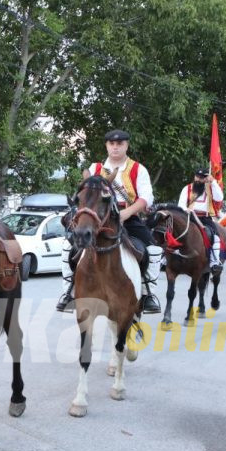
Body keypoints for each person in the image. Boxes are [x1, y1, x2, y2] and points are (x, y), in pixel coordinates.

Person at [56, 129, 162, 314]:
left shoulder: (138, 169)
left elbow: (146, 198)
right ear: (106, 146)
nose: (115, 147)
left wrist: (127, 213)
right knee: (68, 247)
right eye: (111, 144)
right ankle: (69, 292)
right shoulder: (95, 168)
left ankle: (147, 294)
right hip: (97, 219)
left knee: (152, 250)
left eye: (120, 144)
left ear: (126, 145)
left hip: (127, 218)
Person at [177, 167, 225, 268]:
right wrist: (186, 210)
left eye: (202, 177)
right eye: (197, 176)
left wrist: (213, 182)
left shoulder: (211, 188)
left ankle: (214, 261)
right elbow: (180, 204)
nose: (198, 179)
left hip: (205, 218)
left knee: (215, 236)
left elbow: (219, 198)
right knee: (175, 231)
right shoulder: (187, 188)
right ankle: (165, 259)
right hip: (189, 217)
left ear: (206, 178)